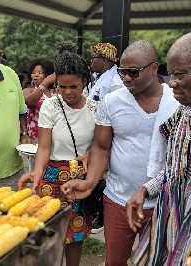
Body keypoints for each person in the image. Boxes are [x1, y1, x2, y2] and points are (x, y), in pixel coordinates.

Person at [60, 40, 180, 266]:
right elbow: (102, 146)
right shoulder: (112, 102)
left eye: (133, 72)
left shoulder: (176, 102)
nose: (126, 78)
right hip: (118, 199)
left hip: (163, 202)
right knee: (115, 260)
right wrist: (89, 182)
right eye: (123, 71)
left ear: (155, 68)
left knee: (159, 260)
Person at [17, 44, 99, 266]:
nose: (67, 92)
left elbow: (100, 145)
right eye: (62, 87)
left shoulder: (95, 109)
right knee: (48, 232)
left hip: (79, 179)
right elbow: (44, 147)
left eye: (73, 86)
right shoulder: (51, 106)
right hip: (51, 176)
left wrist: (91, 155)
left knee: (76, 236)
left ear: (84, 81)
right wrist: (37, 171)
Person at [125, 33, 191, 265]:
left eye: (180, 75)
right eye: (171, 74)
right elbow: (176, 168)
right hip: (169, 222)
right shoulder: (183, 113)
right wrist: (146, 189)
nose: (171, 82)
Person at [0, 32, 34, 191]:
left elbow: (21, 110)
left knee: (14, 214)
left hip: (12, 170)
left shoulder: (10, 75)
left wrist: (24, 134)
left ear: (0, 55)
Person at [89, 42, 124, 233]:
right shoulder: (102, 77)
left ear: (104, 60)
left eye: (94, 57)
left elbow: (114, 114)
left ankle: (102, 218)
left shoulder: (115, 82)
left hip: (108, 138)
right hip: (99, 135)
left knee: (105, 177)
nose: (92, 61)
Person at [23, 59, 57, 172]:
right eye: (33, 72)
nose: (36, 74)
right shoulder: (28, 90)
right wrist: (44, 83)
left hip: (55, 136)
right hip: (36, 137)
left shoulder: (56, 92)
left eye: (40, 72)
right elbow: (30, 102)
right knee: (36, 169)